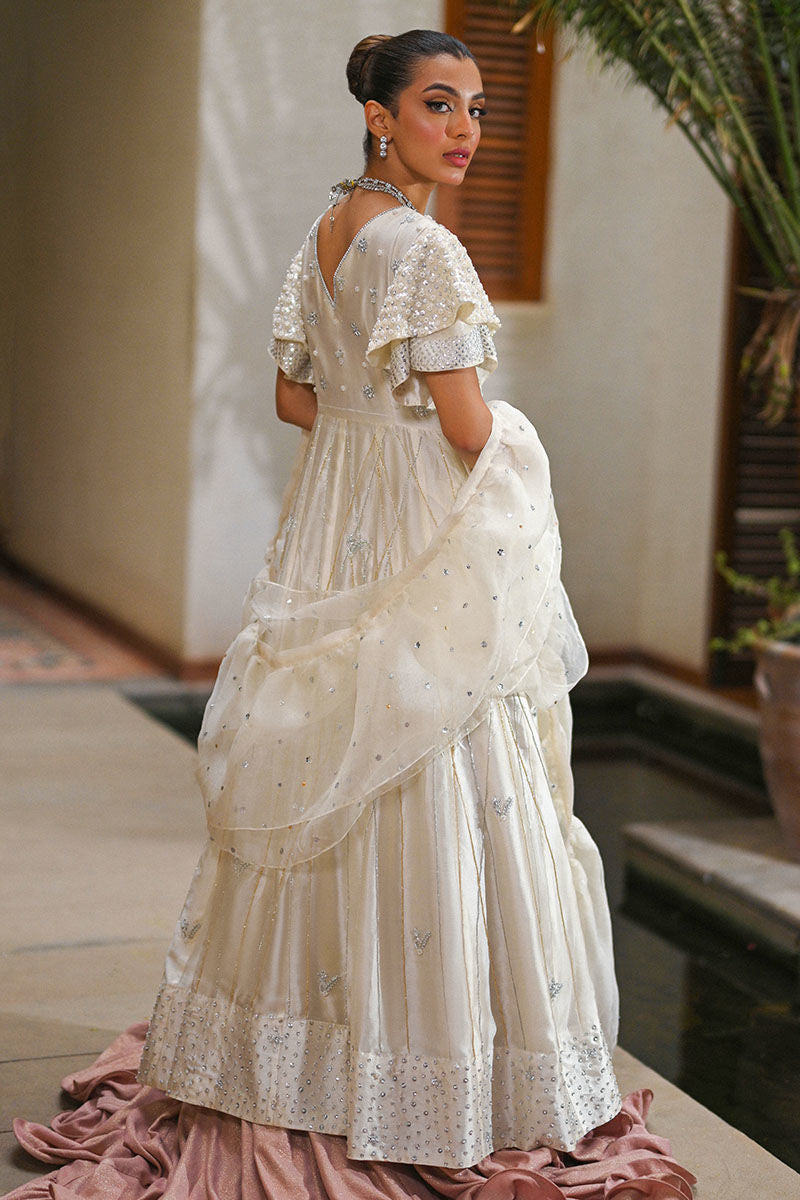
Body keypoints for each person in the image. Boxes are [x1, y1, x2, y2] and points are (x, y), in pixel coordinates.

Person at [136, 28, 620, 1168]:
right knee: (431, 752)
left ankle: (283, 1055)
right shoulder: (424, 249)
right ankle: (424, 1073)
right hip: (412, 537)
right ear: (379, 116)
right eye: (439, 104)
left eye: (478, 108)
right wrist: (512, 445)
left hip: (333, 530)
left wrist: (371, 433)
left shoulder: (328, 234)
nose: (465, 129)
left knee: (325, 761)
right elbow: (466, 427)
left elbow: (296, 401)